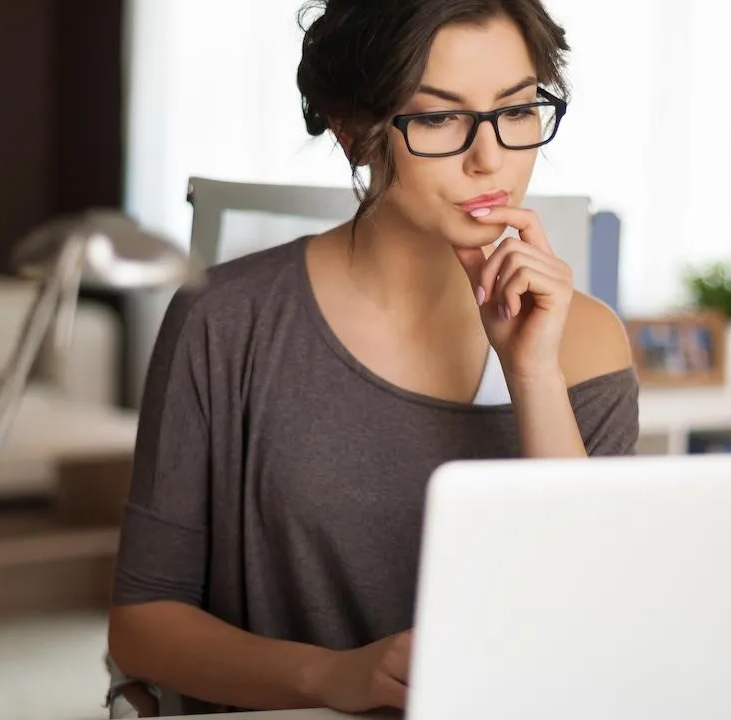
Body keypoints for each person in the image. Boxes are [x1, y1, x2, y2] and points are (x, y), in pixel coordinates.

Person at [106, 0, 640, 715]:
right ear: (353, 131)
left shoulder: (583, 339)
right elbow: (144, 625)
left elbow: (595, 626)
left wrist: (533, 372)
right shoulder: (225, 320)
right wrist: (334, 677)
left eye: (516, 110)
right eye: (439, 117)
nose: (492, 158)